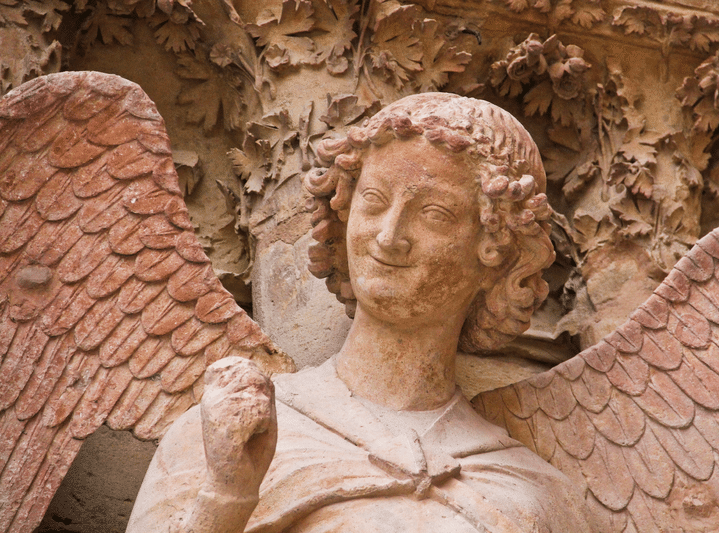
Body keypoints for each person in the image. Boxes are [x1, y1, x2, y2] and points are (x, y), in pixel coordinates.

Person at [127, 93, 596, 533]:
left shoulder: (534, 495)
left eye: (434, 214)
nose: (389, 237)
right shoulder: (235, 434)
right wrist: (226, 498)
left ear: (497, 252)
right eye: (372, 202)